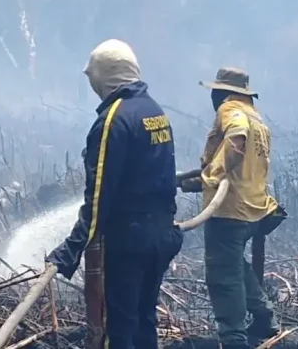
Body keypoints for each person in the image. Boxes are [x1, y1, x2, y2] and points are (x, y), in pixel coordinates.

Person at [46, 39, 183, 349]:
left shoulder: (113, 120)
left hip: (130, 242)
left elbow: (99, 195)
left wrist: (72, 248)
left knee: (117, 331)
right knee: (143, 322)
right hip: (161, 235)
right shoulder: (153, 110)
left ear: (103, 76)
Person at [181, 67, 285, 348]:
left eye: (216, 91)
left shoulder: (232, 110)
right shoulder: (258, 120)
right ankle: (264, 317)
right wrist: (199, 179)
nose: (214, 97)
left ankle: (234, 337)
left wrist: (208, 178)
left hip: (229, 211)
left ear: (226, 92)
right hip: (253, 209)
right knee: (236, 266)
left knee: (223, 275)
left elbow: (236, 140)